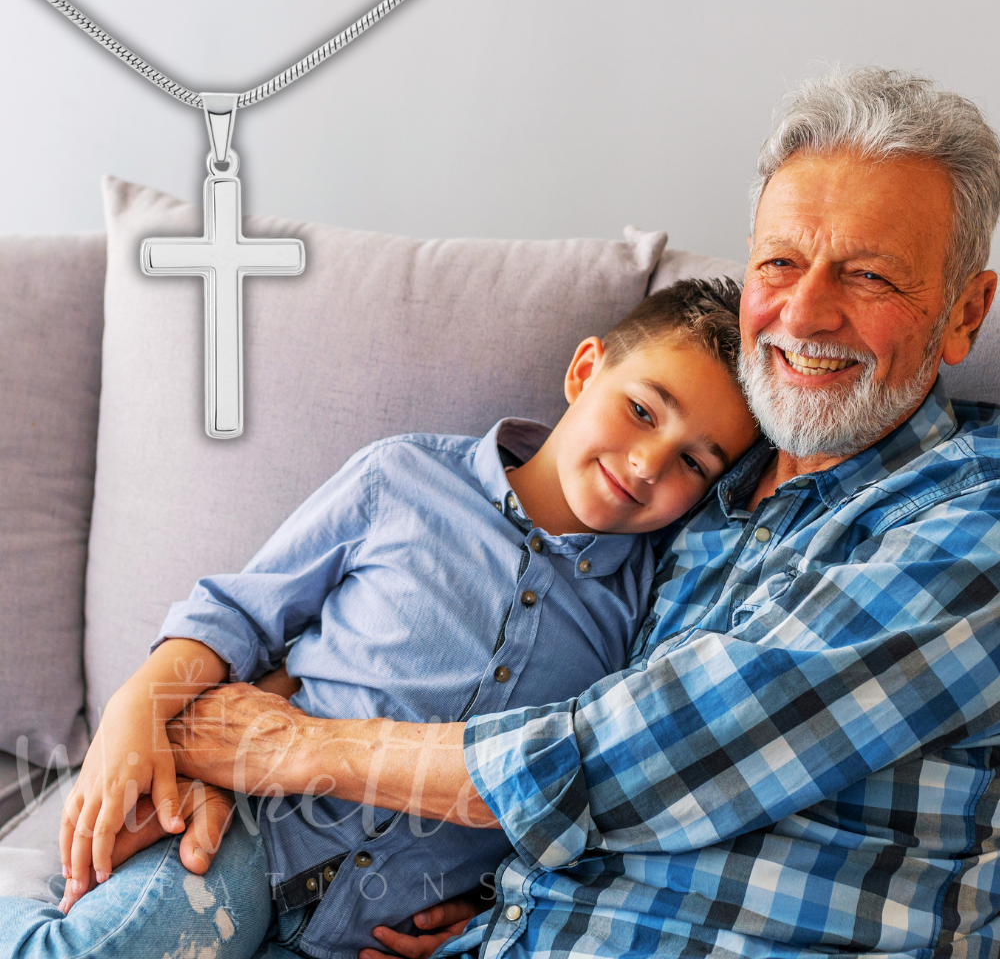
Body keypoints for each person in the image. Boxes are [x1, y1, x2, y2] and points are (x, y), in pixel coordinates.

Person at [101, 66, 1000, 959]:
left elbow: (657, 752)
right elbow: (311, 631)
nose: (805, 313)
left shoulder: (967, 520)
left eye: (871, 275)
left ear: (965, 313)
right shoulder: (702, 507)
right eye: (779, 262)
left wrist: (293, 751)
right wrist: (483, 906)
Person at [0, 279, 759, 958]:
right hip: (245, 842)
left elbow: (574, 781)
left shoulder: (643, 613)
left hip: (379, 931)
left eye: (697, 462)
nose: (648, 464)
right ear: (585, 370)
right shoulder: (400, 479)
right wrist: (136, 708)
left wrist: (490, 903)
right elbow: (240, 613)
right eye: (641, 410)